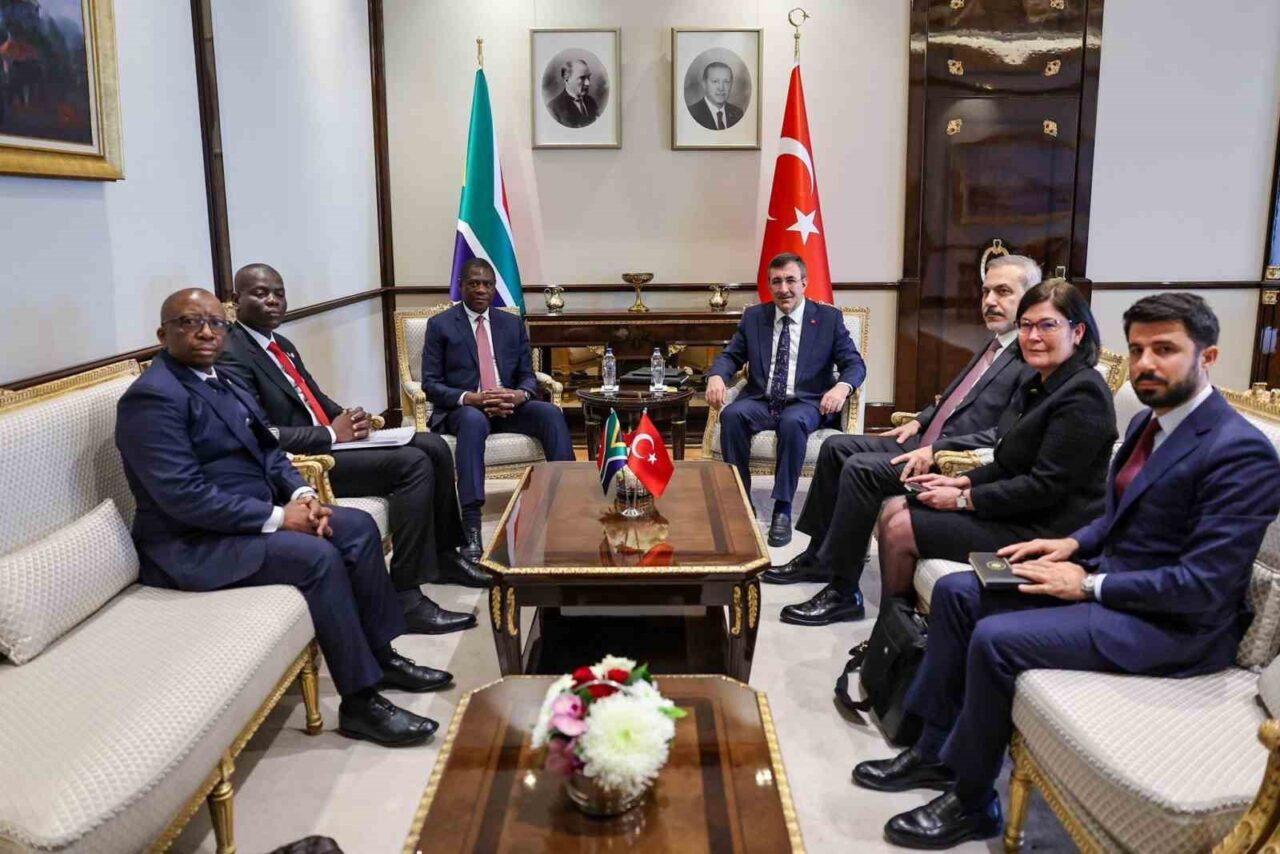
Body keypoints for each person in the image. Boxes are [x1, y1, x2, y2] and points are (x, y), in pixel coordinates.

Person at [854, 292, 1280, 850]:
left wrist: (1088, 583)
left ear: (1209, 356)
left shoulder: (1241, 453)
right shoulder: (1149, 425)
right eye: (1138, 350)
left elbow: (1202, 586)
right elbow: (1116, 515)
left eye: (1165, 349)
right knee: (959, 593)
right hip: (1109, 580)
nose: (1146, 363)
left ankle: (973, 801)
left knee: (997, 641)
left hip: (1173, 626)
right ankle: (932, 749)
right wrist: (1071, 544)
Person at [117, 288, 450, 747]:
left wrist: (302, 494)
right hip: (191, 544)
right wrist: (278, 517)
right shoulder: (152, 399)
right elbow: (183, 497)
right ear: (163, 334)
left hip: (248, 521)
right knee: (316, 557)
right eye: (191, 322)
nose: (207, 332)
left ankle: (382, 657)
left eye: (216, 323)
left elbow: (269, 453)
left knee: (355, 527)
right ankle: (360, 703)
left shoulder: (223, 379)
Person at [769, 256, 1040, 626]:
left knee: (861, 470)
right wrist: (919, 421)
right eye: (986, 291)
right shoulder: (995, 343)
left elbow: (1005, 433)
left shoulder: (1030, 356)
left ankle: (843, 592)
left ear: (1031, 297)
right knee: (836, 446)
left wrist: (937, 449)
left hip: (948, 458)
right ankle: (818, 557)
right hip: (924, 439)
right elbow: (953, 399)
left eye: (1003, 292)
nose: (990, 301)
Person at [218, 264, 487, 631]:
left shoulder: (280, 344)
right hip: (300, 461)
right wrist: (331, 434)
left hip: (330, 443)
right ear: (236, 300)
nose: (273, 301)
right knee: (412, 464)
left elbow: (315, 398)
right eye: (260, 293)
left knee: (433, 444)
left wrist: (348, 417)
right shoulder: (231, 352)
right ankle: (406, 596)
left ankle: (443, 557)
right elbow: (262, 433)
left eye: (278, 293)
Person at [871, 279, 1116, 599]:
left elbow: (1044, 487)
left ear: (1078, 332)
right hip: (1017, 508)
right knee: (894, 507)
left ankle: (896, 628)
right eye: (1026, 325)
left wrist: (963, 499)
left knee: (900, 527)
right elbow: (1007, 462)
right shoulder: (1037, 382)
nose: (1034, 336)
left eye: (1048, 325)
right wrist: (961, 482)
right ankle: (897, 624)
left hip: (1048, 527)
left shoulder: (1084, 394)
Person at [706, 252, 866, 547]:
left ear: (804, 283)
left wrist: (842, 387)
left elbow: (854, 364)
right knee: (732, 415)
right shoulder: (755, 317)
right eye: (776, 282)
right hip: (762, 400)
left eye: (790, 280)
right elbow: (730, 356)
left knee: (792, 422)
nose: (784, 289)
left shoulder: (828, 319)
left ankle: (782, 507)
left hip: (807, 402)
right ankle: (741, 501)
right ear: (769, 285)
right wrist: (716, 376)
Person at [422, 257, 575, 549]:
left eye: (487, 284)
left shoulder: (511, 324)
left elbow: (527, 375)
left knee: (550, 413)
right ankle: (471, 524)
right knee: (472, 420)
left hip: (509, 406)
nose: (481, 289)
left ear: (494, 288)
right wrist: (471, 399)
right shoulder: (440, 325)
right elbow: (430, 384)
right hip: (464, 409)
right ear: (461, 285)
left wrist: (519, 395)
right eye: (474, 283)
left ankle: (567, 502)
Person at [688, 61, 744, 131]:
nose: (721, 88)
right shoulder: (692, 114)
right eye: (715, 81)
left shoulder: (738, 113)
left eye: (726, 81)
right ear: (704, 84)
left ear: (731, 84)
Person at [546, 58, 599, 128]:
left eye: (588, 77)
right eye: (582, 78)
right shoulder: (553, 109)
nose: (587, 83)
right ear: (567, 79)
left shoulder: (591, 102)